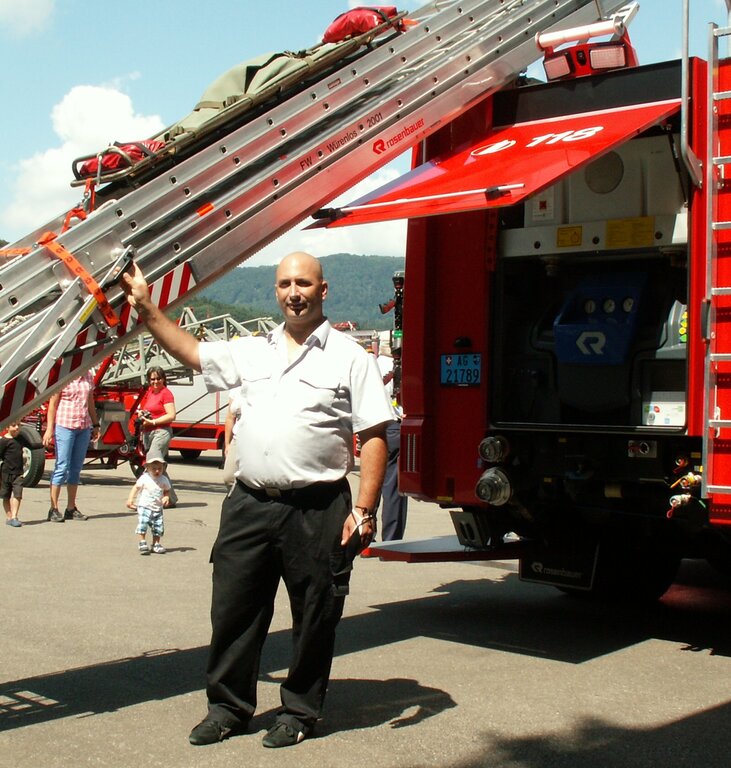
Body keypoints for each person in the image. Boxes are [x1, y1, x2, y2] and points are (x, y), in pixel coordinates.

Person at [121, 251, 391, 749]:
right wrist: (146, 309)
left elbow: (374, 434)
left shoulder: (351, 357)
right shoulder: (253, 351)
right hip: (249, 503)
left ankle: (299, 712)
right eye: (285, 283)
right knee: (234, 608)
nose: (295, 292)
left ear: (323, 290)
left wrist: (365, 509)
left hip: (318, 506)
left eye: (304, 283)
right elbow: (193, 352)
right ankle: (228, 708)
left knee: (315, 612)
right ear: (275, 291)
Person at [43, 372, 100, 522]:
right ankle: (53, 508)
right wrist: (49, 429)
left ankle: (71, 508)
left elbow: (90, 401)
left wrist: (95, 424)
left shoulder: (88, 375)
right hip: (65, 425)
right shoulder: (63, 375)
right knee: (62, 466)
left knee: (76, 468)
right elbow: (53, 405)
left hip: (83, 426)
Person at [375, 351, 408, 541]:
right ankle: (391, 539)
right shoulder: (404, 367)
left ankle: (365, 534)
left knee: (373, 483)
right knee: (393, 487)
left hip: (374, 427)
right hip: (395, 427)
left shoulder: (375, 364)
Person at [139, 366, 178, 506]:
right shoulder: (150, 392)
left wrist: (154, 421)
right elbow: (149, 410)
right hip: (148, 432)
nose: (155, 382)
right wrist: (142, 414)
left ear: (163, 379)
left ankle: (166, 498)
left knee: (154, 464)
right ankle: (170, 498)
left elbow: (171, 415)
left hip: (161, 431)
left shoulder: (166, 393)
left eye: (158, 379)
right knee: (157, 466)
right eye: (152, 379)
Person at [126, 449, 171, 555]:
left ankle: (156, 544)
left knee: (158, 526)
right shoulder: (144, 478)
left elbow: (167, 490)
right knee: (143, 523)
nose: (157, 471)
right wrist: (130, 499)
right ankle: (142, 542)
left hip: (157, 507)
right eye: (154, 468)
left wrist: (166, 497)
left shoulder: (164, 479)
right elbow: (136, 488)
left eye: (160, 468)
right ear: (147, 468)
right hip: (144, 506)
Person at [0, 422, 26, 528]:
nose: (17, 427)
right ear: (7, 427)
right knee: (6, 496)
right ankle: (9, 516)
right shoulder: (4, 441)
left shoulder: (21, 439)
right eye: (14, 425)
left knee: (17, 494)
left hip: (18, 473)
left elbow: (33, 445)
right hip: (6, 473)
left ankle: (15, 516)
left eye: (18, 425)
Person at [221, 387, 242, 488]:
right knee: (229, 477)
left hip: (257, 439)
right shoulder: (236, 389)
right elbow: (230, 418)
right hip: (238, 438)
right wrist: (227, 444)